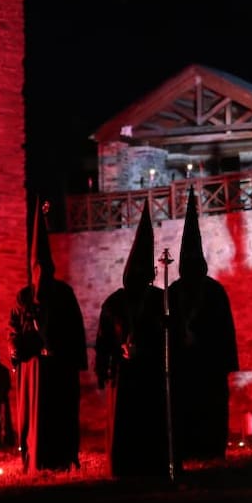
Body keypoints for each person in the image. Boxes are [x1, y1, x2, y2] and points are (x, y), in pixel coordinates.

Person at [9, 200, 88, 472]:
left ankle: (62, 458)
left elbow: (75, 327)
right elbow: (14, 328)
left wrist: (70, 356)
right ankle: (36, 459)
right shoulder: (24, 296)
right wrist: (17, 350)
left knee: (59, 415)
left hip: (59, 367)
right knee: (35, 417)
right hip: (34, 369)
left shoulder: (64, 294)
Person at [94, 197, 169, 477]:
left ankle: (153, 465)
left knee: (150, 421)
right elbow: (104, 340)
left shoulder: (160, 300)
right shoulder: (114, 303)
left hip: (150, 372)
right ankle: (125, 466)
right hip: (123, 373)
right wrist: (110, 361)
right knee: (125, 422)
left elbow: (167, 334)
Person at [167, 186, 240, 463]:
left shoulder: (214, 291)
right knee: (185, 409)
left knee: (209, 409)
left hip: (208, 364)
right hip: (184, 364)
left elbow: (224, 329)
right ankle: (186, 448)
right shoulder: (172, 292)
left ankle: (210, 448)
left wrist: (220, 358)